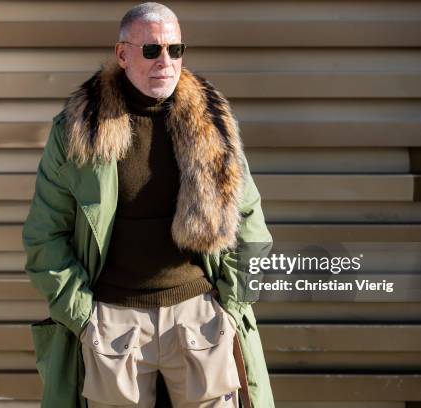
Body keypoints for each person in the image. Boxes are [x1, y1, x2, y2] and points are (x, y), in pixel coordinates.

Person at [22, 2, 274, 407]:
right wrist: (84, 317)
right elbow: (43, 235)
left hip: (199, 318)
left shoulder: (211, 123)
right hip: (112, 323)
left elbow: (250, 222)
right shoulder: (79, 130)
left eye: (175, 49)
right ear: (122, 54)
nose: (166, 61)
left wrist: (230, 304)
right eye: (152, 49)